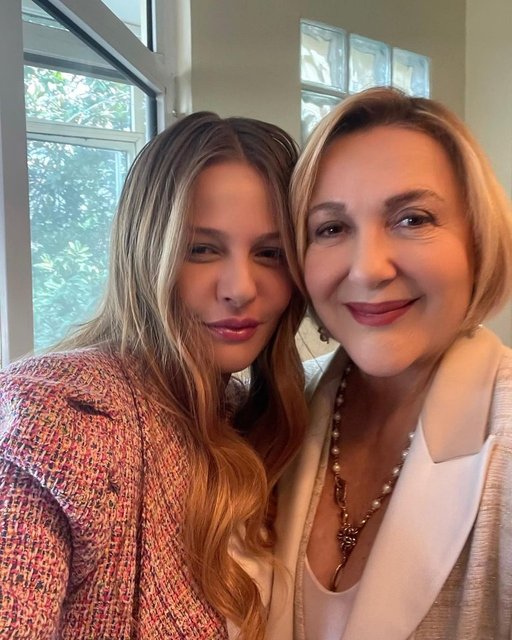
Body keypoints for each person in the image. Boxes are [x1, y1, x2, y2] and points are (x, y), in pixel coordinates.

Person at [0, 112, 309, 639]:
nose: (240, 288)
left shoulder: (257, 419)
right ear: (146, 251)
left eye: (270, 253)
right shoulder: (60, 415)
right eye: (202, 250)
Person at [267, 87, 512, 639]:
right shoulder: (274, 412)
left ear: (477, 239)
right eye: (331, 228)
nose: (368, 269)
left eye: (412, 219)